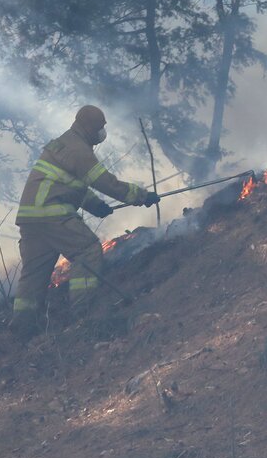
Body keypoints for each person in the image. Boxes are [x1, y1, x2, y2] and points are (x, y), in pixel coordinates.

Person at [10, 105, 159, 335]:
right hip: (51, 214)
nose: (102, 133)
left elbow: (70, 183)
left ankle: (22, 327)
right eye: (100, 128)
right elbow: (106, 183)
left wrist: (94, 205)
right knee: (88, 250)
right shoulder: (79, 151)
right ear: (89, 127)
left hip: (31, 217)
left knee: (34, 273)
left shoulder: (64, 144)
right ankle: (84, 314)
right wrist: (141, 196)